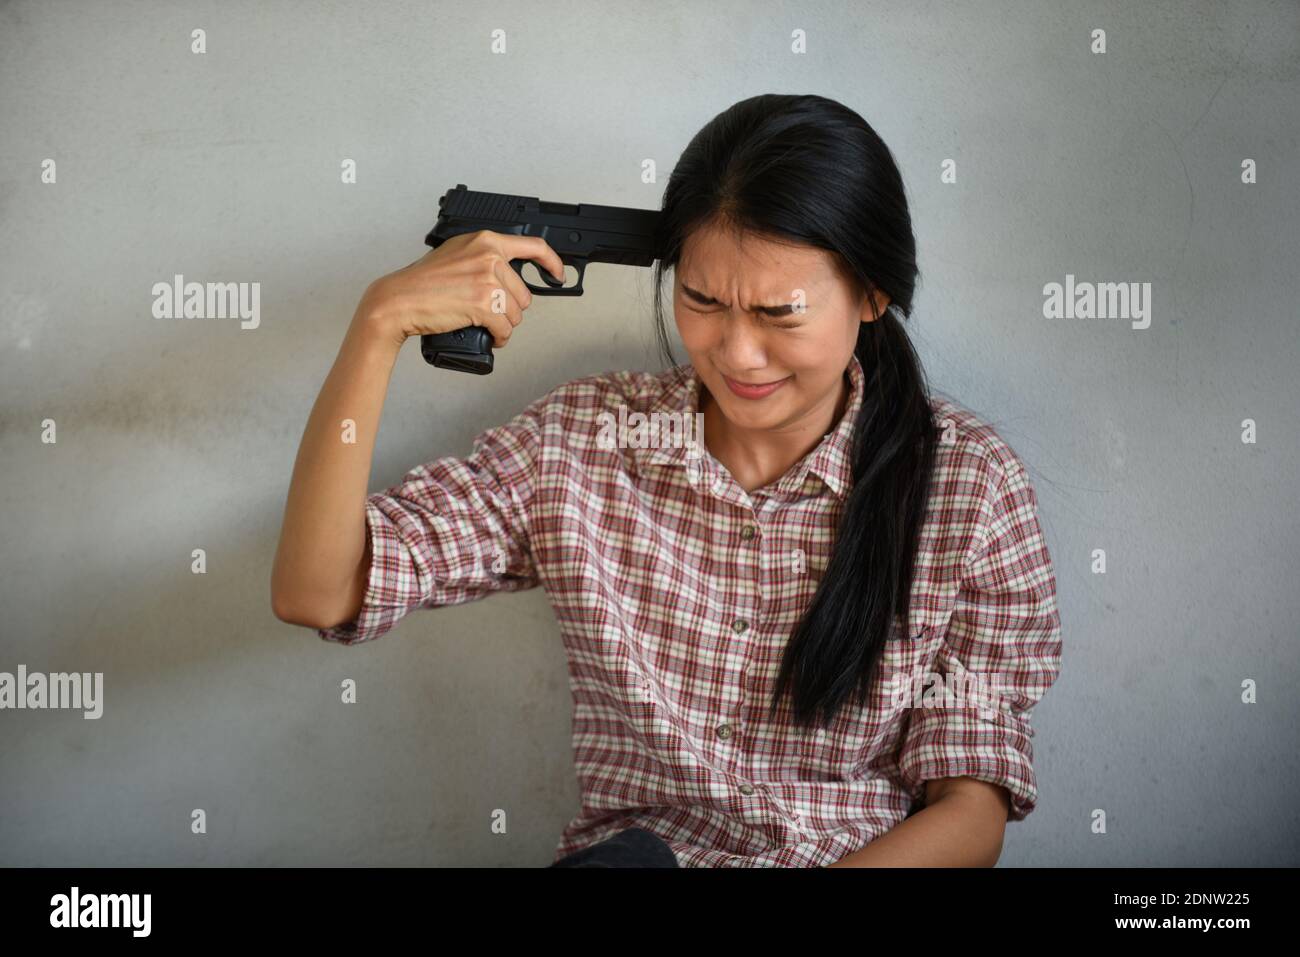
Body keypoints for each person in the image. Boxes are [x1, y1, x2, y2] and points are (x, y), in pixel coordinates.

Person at [271, 93, 1063, 868]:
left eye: (780, 312)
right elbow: (318, 589)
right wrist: (377, 326)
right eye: (702, 300)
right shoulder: (581, 442)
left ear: (873, 293)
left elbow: (970, 812)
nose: (737, 352)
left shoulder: (969, 483)